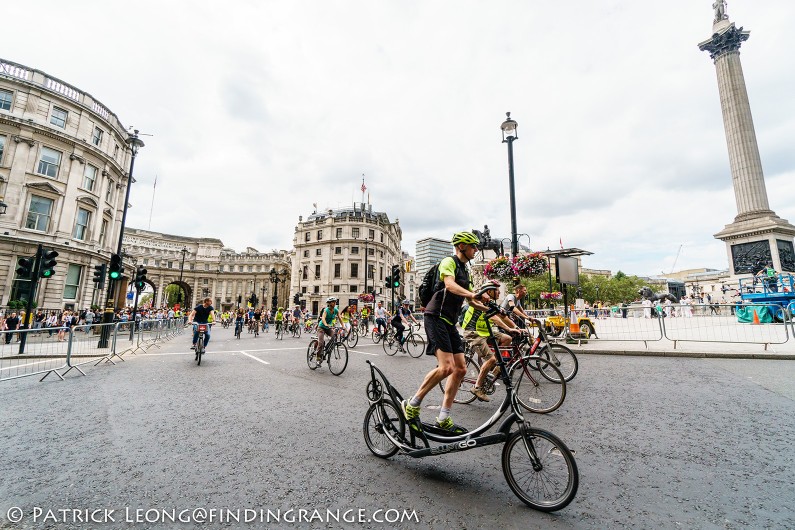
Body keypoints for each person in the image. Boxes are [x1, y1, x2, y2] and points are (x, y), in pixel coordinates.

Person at [401, 231, 486, 434]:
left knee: (461, 370)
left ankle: (444, 417)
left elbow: (471, 300)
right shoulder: (449, 262)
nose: (476, 250)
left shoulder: (466, 271)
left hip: (449, 321)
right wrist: (472, 294)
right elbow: (449, 284)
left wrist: (490, 307)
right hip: (435, 316)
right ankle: (412, 404)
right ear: (462, 246)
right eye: (473, 246)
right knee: (446, 367)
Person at [462, 280, 523, 402]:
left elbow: (502, 316)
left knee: (507, 338)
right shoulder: (479, 300)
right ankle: (477, 387)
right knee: (491, 359)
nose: (499, 292)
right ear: (488, 291)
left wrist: (515, 327)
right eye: (496, 290)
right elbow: (495, 318)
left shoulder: (490, 302)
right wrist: (508, 328)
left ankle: (492, 369)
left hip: (485, 332)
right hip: (473, 333)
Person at [315, 297, 340, 363]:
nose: (334, 303)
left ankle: (328, 350)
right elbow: (323, 318)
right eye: (333, 302)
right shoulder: (326, 310)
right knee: (321, 343)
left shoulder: (336, 310)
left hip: (328, 327)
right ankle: (318, 357)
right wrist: (326, 324)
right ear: (329, 303)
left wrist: (343, 326)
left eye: (335, 302)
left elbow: (340, 318)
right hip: (321, 327)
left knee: (334, 336)